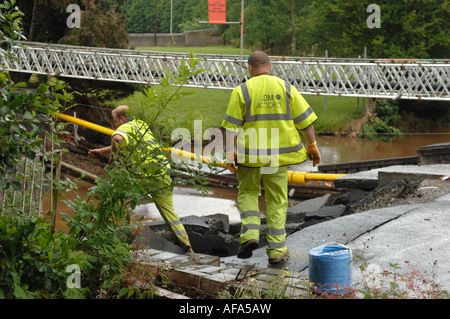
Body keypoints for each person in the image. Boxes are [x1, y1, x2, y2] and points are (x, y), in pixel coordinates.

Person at [222, 51, 321, 265]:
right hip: (277, 158)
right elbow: (305, 121)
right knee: (276, 200)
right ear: (270, 66)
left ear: (249, 68)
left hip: (249, 156)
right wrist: (312, 144)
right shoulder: (286, 88)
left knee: (248, 192)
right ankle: (277, 251)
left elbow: (231, 128)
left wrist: (230, 154)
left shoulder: (242, 91)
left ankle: (249, 235)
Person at [89, 105, 194, 253]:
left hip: (144, 176)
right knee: (170, 214)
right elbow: (131, 142)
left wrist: (114, 160)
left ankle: (101, 234)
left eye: (114, 121)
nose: (114, 125)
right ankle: (188, 249)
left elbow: (118, 139)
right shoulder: (141, 125)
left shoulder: (123, 128)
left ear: (122, 119)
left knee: (116, 197)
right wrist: (102, 151)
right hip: (162, 173)